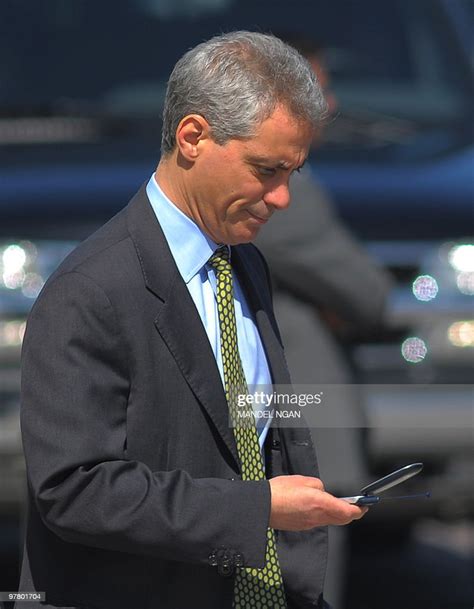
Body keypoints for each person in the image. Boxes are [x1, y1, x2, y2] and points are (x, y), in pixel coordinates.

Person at [17, 32, 367, 609]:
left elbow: (251, 435)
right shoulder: (90, 291)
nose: (281, 198)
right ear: (193, 137)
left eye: (293, 174)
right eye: (266, 169)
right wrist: (260, 509)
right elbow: (73, 490)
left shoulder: (243, 263)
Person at [254, 35, 393, 608]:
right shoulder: (284, 192)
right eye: (312, 90)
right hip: (298, 436)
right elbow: (369, 295)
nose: (328, 106)